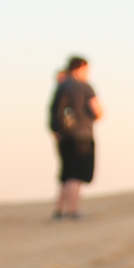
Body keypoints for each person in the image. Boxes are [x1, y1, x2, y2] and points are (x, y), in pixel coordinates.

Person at [49, 55, 103, 218]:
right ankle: (72, 211)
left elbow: (53, 112)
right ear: (80, 68)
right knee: (76, 175)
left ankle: (59, 210)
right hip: (82, 136)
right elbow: (98, 111)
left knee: (66, 174)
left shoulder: (61, 86)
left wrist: (57, 131)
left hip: (63, 137)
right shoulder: (84, 87)